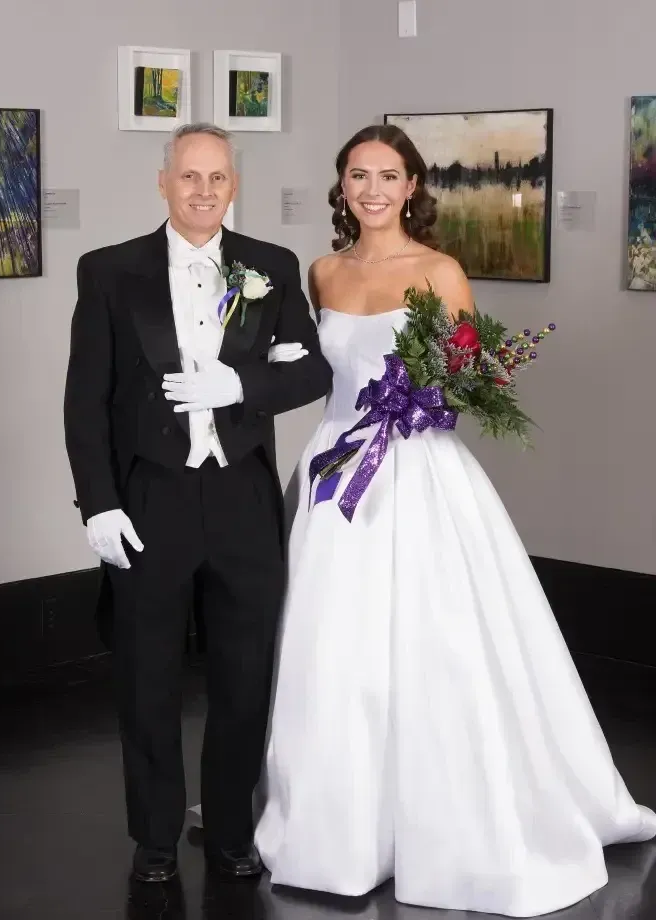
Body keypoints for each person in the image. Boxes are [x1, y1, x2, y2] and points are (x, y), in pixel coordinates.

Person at [254, 124, 656, 916]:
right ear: (343, 186)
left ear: (412, 188)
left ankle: (451, 820)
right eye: (359, 175)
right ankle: (338, 824)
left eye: (388, 176)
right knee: (331, 646)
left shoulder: (440, 270)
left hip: (416, 472)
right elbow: (313, 370)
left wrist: (422, 399)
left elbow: (470, 383)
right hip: (336, 474)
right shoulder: (322, 272)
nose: (372, 189)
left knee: (435, 641)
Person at [63, 123, 331, 883]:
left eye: (217, 177)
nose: (204, 191)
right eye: (189, 177)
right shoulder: (110, 271)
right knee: (146, 676)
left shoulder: (271, 267)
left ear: (233, 184)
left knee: (246, 674)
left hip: (243, 493)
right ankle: (153, 838)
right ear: (163, 182)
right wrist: (99, 504)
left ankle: (230, 832)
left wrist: (244, 385)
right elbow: (86, 402)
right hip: (150, 495)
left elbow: (311, 373)